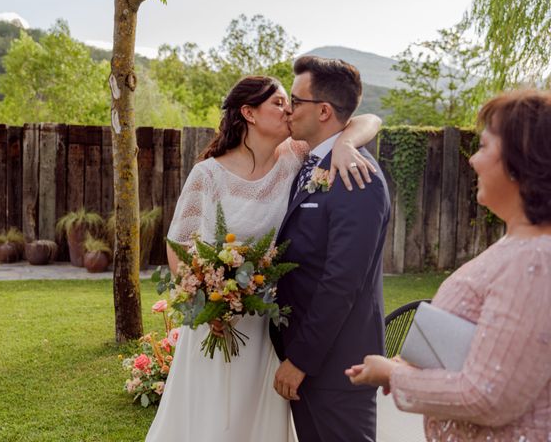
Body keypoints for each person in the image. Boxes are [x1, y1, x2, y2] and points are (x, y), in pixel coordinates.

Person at [145, 74, 382, 442]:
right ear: (248, 113)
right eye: (278, 102)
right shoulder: (207, 175)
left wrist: (348, 143)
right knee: (212, 423)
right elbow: (179, 248)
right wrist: (205, 306)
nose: (288, 109)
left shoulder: (294, 159)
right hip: (215, 322)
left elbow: (367, 120)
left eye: (291, 102)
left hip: (266, 328)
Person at [346, 90, 551, 441]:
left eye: (484, 147)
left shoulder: (535, 261)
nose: (472, 161)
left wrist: (393, 376)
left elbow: (489, 396)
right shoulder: (516, 245)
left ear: (521, 161)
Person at [269, 56, 390, 442]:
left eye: (294, 99)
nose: (287, 108)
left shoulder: (357, 177)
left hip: (336, 366)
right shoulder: (313, 162)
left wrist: (300, 360)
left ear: (323, 111)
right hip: (312, 363)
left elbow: (341, 282)